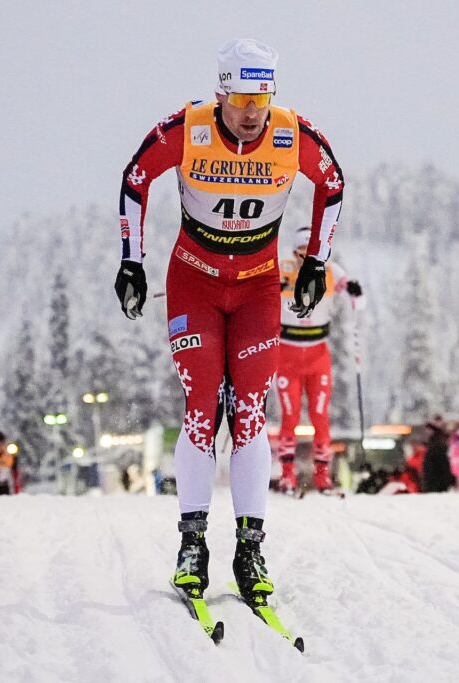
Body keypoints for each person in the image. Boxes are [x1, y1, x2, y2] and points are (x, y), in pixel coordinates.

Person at [114, 39, 345, 604]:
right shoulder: (188, 128)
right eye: (241, 98)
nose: (251, 112)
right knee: (201, 407)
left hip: (259, 286)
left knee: (248, 412)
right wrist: (131, 261)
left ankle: (250, 548)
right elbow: (135, 179)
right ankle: (192, 544)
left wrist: (315, 258)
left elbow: (333, 186)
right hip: (194, 278)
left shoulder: (292, 134)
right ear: (221, 92)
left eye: (261, 99)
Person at [275, 226, 363, 493]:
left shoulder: (331, 270)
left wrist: (355, 292)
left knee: (320, 416)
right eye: (303, 252)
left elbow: (354, 293)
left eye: (313, 253)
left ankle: (323, 476)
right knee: (289, 417)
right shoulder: (282, 267)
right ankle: (287, 475)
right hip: (287, 354)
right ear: (294, 252)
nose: (307, 258)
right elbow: (253, 283)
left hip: (317, 355)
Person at [421, 415, 454, 493]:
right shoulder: (434, 441)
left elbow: (443, 463)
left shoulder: (438, 442)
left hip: (437, 480)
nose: (427, 432)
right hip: (435, 479)